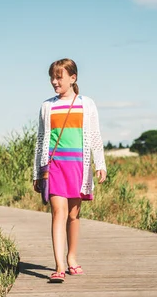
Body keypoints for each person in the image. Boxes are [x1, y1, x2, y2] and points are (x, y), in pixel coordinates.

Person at [32, 58, 107, 283]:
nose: (54, 82)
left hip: (79, 166)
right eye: (52, 78)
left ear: (72, 78)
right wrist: (37, 172)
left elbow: (95, 135)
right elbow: (41, 140)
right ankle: (59, 266)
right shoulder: (47, 106)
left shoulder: (87, 104)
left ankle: (72, 257)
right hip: (55, 166)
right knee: (58, 213)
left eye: (59, 77)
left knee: (73, 215)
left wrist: (100, 163)